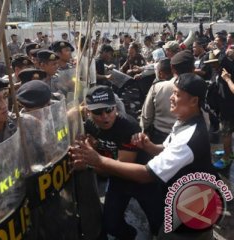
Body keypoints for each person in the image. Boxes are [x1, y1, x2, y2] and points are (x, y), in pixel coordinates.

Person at [70, 73, 217, 239]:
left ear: (194, 101)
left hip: (191, 207)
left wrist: (96, 160)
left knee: (162, 229)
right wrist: (149, 146)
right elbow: (166, 149)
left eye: (176, 94)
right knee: (114, 224)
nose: (171, 97)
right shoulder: (183, 121)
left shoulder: (190, 135)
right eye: (97, 112)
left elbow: (145, 175)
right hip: (172, 194)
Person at [74, 85, 163, 239]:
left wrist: (91, 161)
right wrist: (92, 148)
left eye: (109, 110)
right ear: (88, 112)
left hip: (141, 179)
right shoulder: (89, 126)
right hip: (117, 180)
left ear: (115, 107)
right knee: (111, 225)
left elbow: (121, 168)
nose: (105, 116)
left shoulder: (127, 126)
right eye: (97, 112)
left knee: (158, 223)